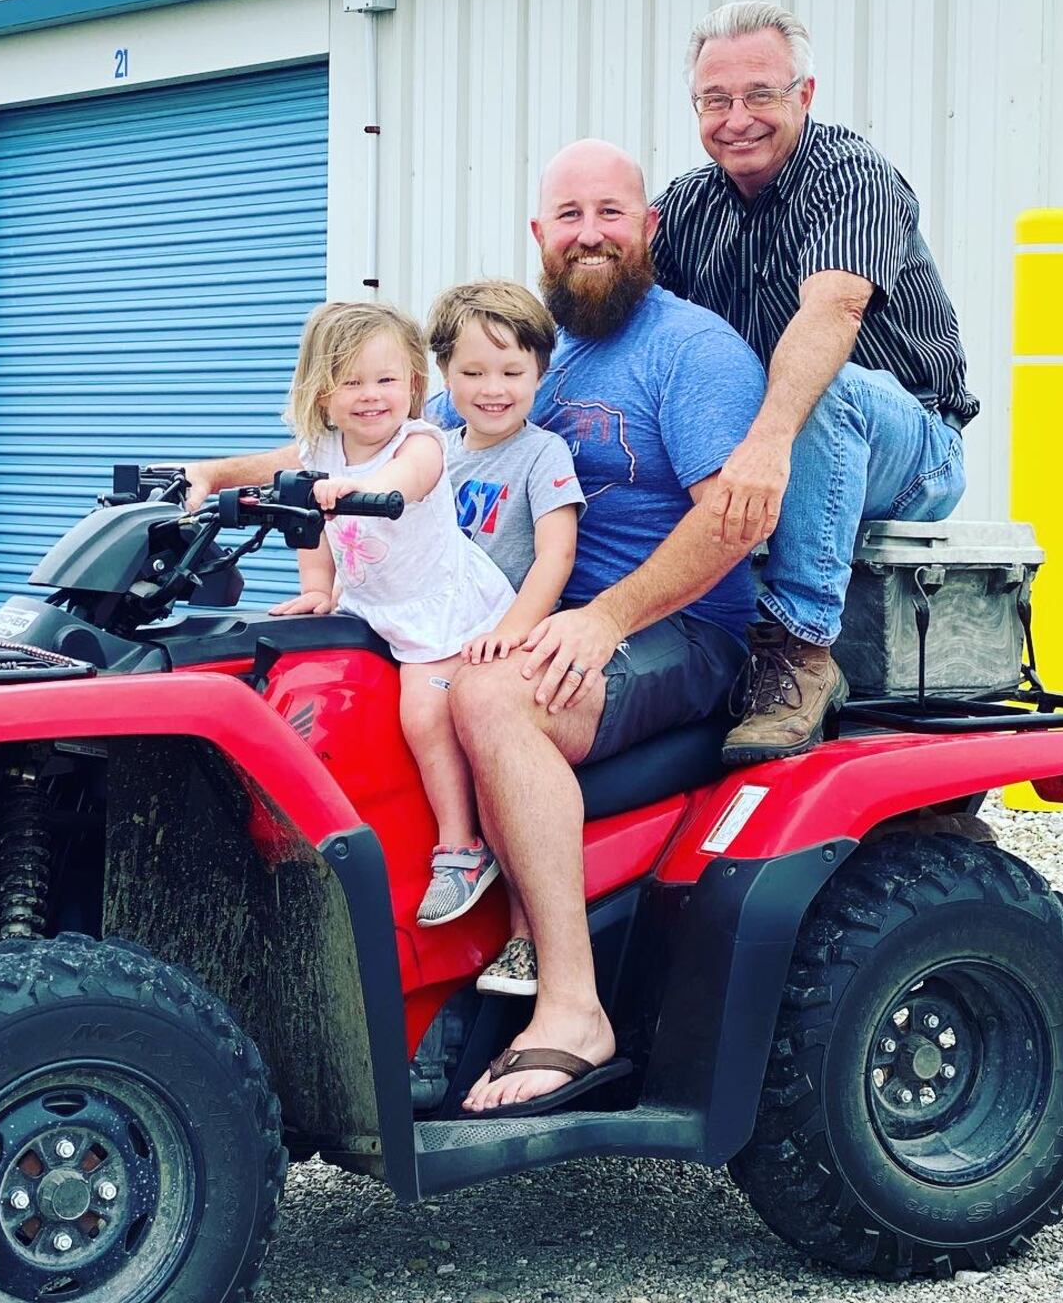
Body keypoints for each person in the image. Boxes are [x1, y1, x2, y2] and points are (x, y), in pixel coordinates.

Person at [448, 139, 766, 1116]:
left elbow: (732, 522)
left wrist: (606, 617)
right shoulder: (519, 355)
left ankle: (573, 1006)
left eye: (611, 213)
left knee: (496, 696)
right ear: (539, 235)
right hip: (538, 617)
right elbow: (401, 438)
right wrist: (229, 481)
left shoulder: (692, 349)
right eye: (570, 216)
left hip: (678, 630)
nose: (590, 233)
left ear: (648, 229)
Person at [652, 0, 977, 765]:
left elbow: (836, 307)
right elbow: (619, 315)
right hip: (785, 445)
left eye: (760, 94)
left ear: (805, 94)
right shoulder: (689, 205)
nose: (737, 118)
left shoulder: (854, 174)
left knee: (824, 388)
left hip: (910, 444)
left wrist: (766, 445)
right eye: (715, 100)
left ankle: (799, 648)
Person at [268, 300, 516, 927]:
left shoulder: (420, 442)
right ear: (322, 395)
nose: (371, 396)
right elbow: (310, 528)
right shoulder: (320, 450)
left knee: (425, 713)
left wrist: (364, 490)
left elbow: (411, 481)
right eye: (351, 382)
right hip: (370, 606)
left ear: (412, 384)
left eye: (386, 380)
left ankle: (462, 849)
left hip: (439, 610)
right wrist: (319, 587)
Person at [425, 280, 585, 996]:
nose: (493, 389)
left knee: (483, 728)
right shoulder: (429, 450)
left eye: (512, 372)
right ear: (443, 375)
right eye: (473, 372)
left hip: (500, 632)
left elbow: (556, 555)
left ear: (540, 375)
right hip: (436, 625)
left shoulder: (540, 454)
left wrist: (510, 632)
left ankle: (521, 926)